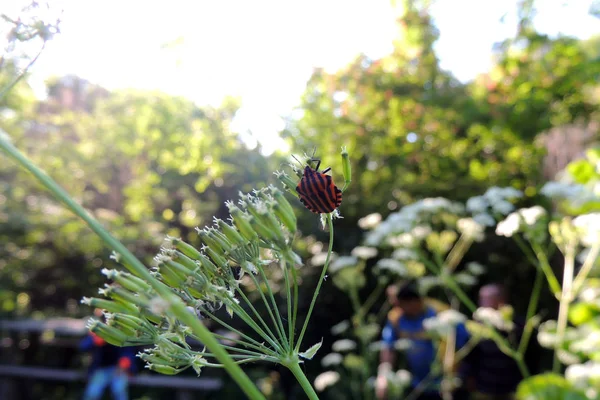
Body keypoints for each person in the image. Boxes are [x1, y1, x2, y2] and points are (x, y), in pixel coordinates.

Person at [376, 282, 470, 400]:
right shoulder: (396, 317)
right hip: (418, 384)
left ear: (418, 300)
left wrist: (462, 376)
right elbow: (388, 346)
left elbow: (465, 345)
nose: (399, 308)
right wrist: (383, 375)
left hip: (448, 383)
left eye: (403, 305)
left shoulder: (441, 313)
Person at [461, 284, 539, 400]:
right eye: (481, 298)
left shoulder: (520, 327)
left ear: (501, 300)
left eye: (487, 298)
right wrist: (467, 378)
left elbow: (532, 357)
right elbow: (470, 357)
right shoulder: (476, 327)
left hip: (513, 390)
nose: (482, 302)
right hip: (484, 389)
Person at [80, 309, 137, 400]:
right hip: (101, 369)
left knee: (119, 391)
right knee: (92, 394)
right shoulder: (97, 330)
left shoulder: (123, 331)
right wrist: (94, 339)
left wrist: (125, 362)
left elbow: (129, 351)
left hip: (118, 370)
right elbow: (83, 346)